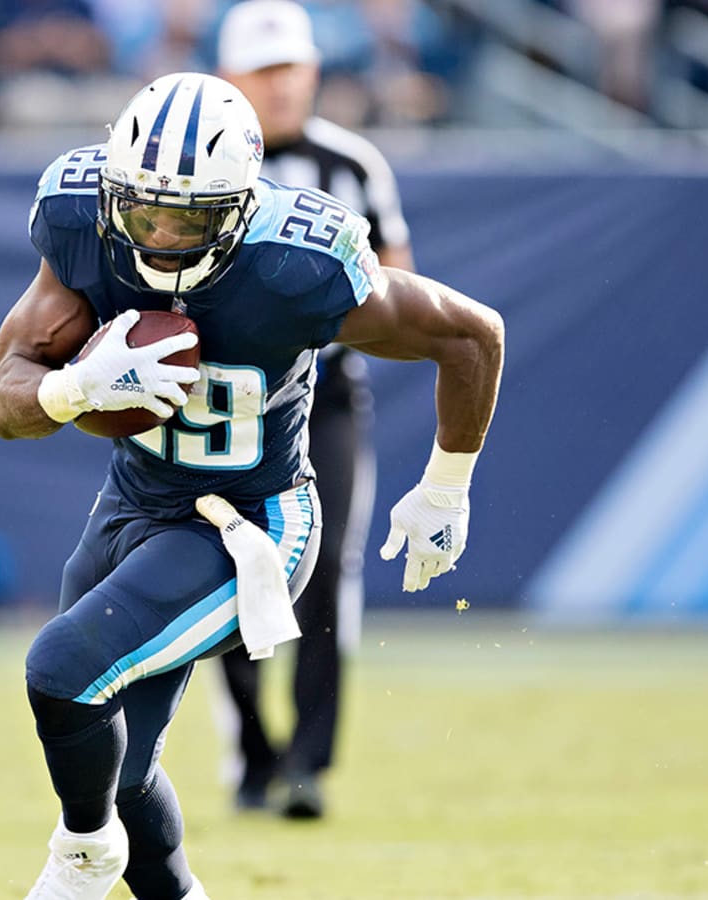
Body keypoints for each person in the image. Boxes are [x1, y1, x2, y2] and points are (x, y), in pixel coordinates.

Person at [0, 71, 503, 899]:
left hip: (250, 524)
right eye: (142, 209)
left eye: (186, 219)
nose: (157, 235)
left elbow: (472, 335)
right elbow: (3, 401)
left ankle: (82, 856)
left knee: (60, 669)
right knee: (119, 768)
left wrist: (446, 486)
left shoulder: (294, 263)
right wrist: (74, 389)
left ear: (239, 207)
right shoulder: (80, 221)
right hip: (132, 504)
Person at [211, 0, 416, 820]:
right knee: (223, 573)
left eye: (292, 66)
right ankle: (255, 752)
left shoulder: (352, 163)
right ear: (229, 80)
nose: (283, 84)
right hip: (219, 399)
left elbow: (401, 283)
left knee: (324, 570)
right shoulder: (201, 163)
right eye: (264, 70)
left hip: (323, 395)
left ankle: (306, 762)